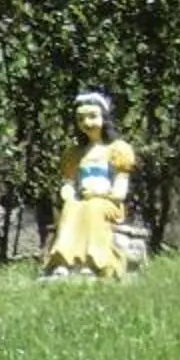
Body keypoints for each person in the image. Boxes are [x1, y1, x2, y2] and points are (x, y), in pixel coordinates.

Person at [39, 90, 137, 281]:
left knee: (93, 209)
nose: (87, 123)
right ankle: (62, 262)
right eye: (81, 119)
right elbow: (70, 182)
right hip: (81, 200)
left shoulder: (117, 149)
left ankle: (94, 263)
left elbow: (120, 189)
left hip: (107, 203)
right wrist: (68, 191)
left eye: (92, 116)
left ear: (104, 118)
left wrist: (101, 193)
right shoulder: (75, 153)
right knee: (70, 208)